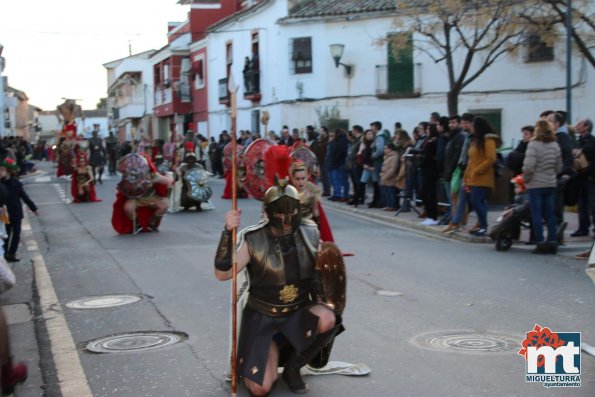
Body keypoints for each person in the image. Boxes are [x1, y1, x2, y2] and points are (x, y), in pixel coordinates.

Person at [215, 179, 342, 396]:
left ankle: (293, 368)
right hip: (263, 319)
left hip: (296, 314)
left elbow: (317, 272)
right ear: (267, 211)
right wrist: (228, 233)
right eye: (279, 212)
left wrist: (321, 296)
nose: (285, 219)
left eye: (290, 212)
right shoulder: (253, 239)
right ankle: (260, 357)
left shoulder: (310, 232)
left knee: (328, 318)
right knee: (260, 389)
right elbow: (223, 274)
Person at [523, 119, 562, 254]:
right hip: (550, 183)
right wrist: (551, 176)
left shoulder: (533, 144)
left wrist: (526, 179)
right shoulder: (555, 144)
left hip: (535, 184)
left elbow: (529, 166)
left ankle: (539, 242)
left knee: (537, 214)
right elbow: (558, 166)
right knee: (550, 214)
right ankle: (552, 240)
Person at [111, 153, 173, 234]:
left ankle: (152, 224)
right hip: (137, 199)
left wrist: (169, 176)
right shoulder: (131, 175)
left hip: (152, 198)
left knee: (164, 205)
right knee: (128, 207)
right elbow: (120, 170)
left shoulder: (153, 175)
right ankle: (137, 225)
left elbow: (168, 182)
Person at [0, 157, 38, 262]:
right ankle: (4, 254)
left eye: (2, 170)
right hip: (5, 213)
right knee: (5, 235)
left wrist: (34, 208)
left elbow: (24, 197)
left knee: (16, 234)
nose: (0, 172)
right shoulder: (1, 184)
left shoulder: (16, 183)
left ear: (8, 171)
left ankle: (12, 253)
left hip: (16, 212)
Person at [288, 160, 334, 242]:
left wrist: (319, 234)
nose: (300, 182)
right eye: (297, 179)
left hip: (309, 228)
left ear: (307, 177)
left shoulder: (312, 190)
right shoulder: (287, 191)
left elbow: (316, 213)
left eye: (303, 178)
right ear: (292, 178)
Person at [570, 118, 595, 237]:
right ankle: (583, 228)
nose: (577, 125)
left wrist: (589, 170)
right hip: (580, 177)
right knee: (582, 204)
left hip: (591, 178)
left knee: (593, 204)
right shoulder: (578, 141)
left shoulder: (592, 141)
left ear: (586, 127)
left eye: (580, 124)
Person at [379, 143, 399, 211]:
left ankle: (392, 206)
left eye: (386, 148)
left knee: (391, 192)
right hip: (384, 177)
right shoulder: (387, 156)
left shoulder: (394, 157)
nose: (384, 150)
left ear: (390, 149)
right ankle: (388, 205)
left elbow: (392, 168)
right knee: (387, 192)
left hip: (390, 177)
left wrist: (386, 176)